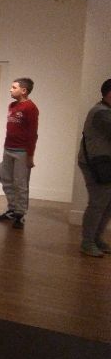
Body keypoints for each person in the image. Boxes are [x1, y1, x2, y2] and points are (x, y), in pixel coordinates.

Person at [0, 78, 39, 229]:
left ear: (23, 90)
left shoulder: (30, 108)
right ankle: (12, 209)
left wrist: (30, 156)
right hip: (8, 149)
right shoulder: (12, 105)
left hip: (22, 152)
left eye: (14, 87)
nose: (10, 90)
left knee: (20, 184)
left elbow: (32, 134)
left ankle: (20, 214)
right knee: (6, 180)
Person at [77, 79, 111, 257]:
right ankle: (87, 242)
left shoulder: (105, 111)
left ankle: (96, 239)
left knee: (107, 203)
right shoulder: (101, 113)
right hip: (96, 164)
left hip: (103, 163)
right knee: (98, 203)